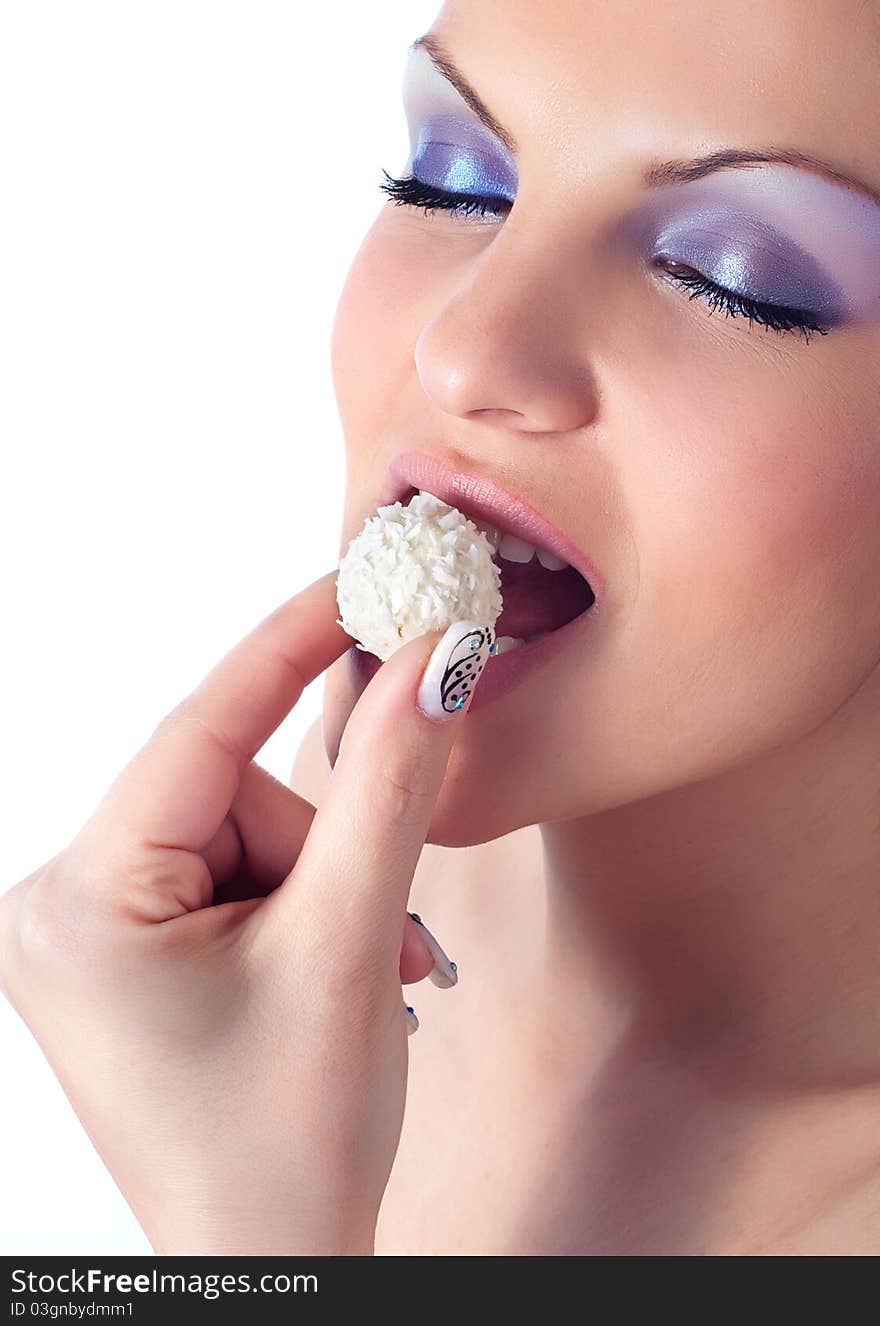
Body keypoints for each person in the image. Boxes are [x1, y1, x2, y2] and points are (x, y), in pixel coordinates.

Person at [3, 0, 880, 1255]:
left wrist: (250, 1244)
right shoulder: (324, 888)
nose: (464, 347)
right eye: (453, 179)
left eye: (732, 277)